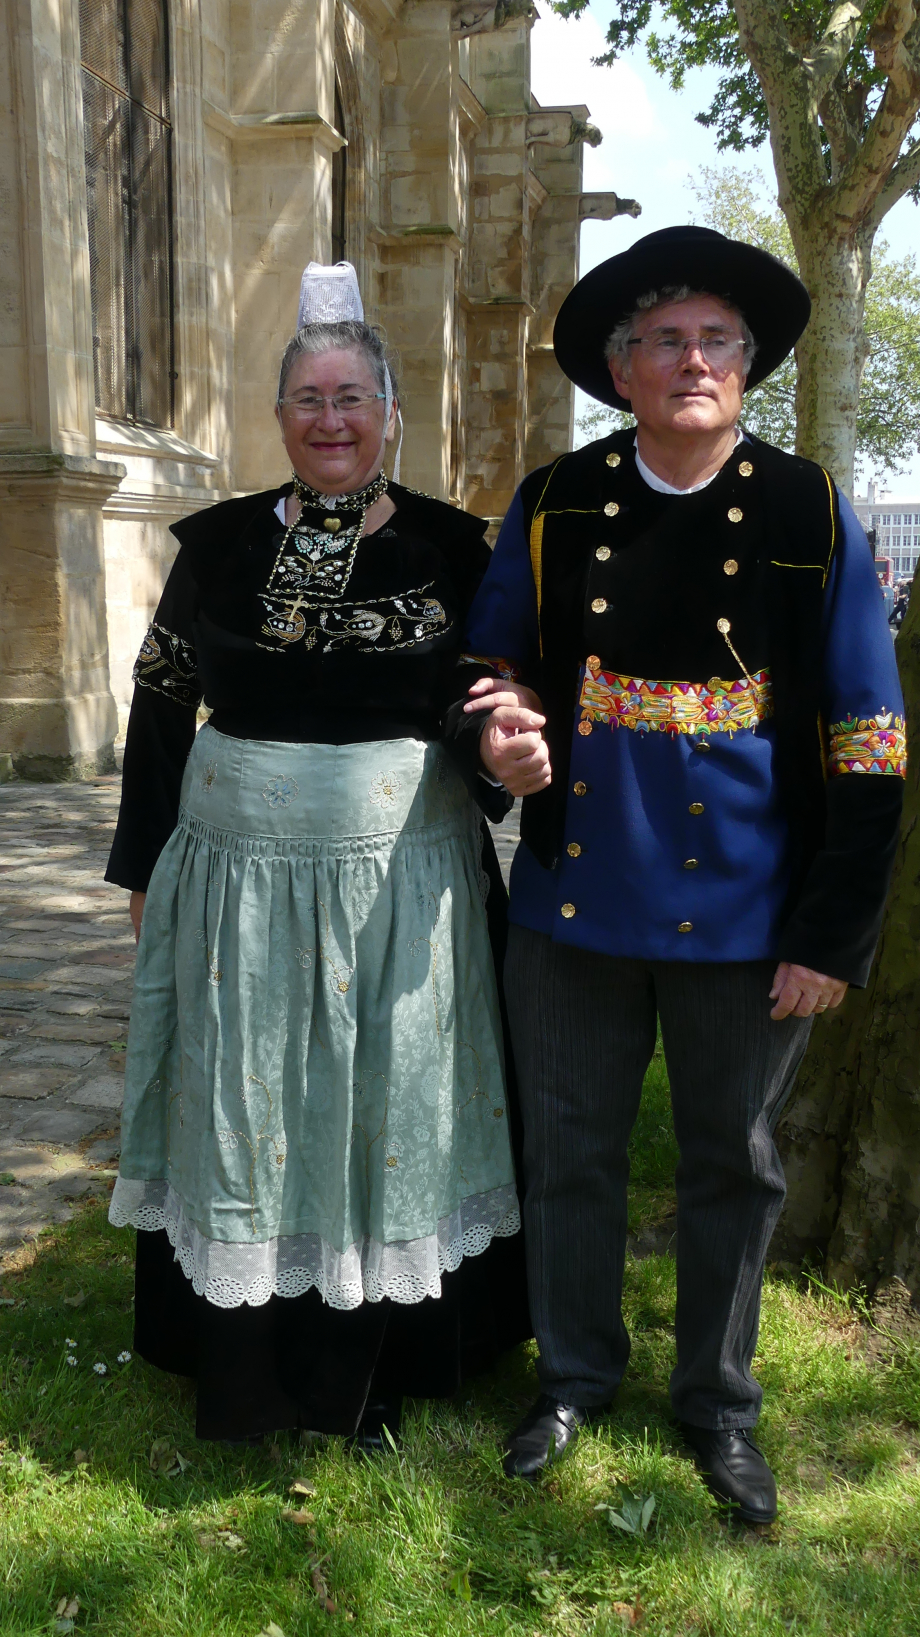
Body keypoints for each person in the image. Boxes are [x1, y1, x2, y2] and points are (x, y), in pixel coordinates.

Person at [446, 226, 906, 1523]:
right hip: (574, 909)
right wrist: (499, 732)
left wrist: (835, 931)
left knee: (734, 1167)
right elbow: (491, 664)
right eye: (666, 341)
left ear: (748, 368)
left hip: (756, 923)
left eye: (717, 340)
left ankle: (717, 1406)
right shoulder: (557, 504)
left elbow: (870, 738)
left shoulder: (816, 513)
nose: (692, 360)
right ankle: (575, 1376)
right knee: (570, 1155)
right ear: (620, 367)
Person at [105, 262, 529, 1446]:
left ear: (389, 414)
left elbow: (479, 693)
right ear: (280, 416)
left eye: (351, 398)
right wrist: (143, 863)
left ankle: (382, 1361)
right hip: (236, 889)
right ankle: (238, 1357)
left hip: (403, 893)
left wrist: (499, 741)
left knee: (384, 1102)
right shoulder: (217, 547)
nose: (331, 420)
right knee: (250, 1102)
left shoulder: (456, 547)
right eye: (308, 400)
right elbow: (158, 704)